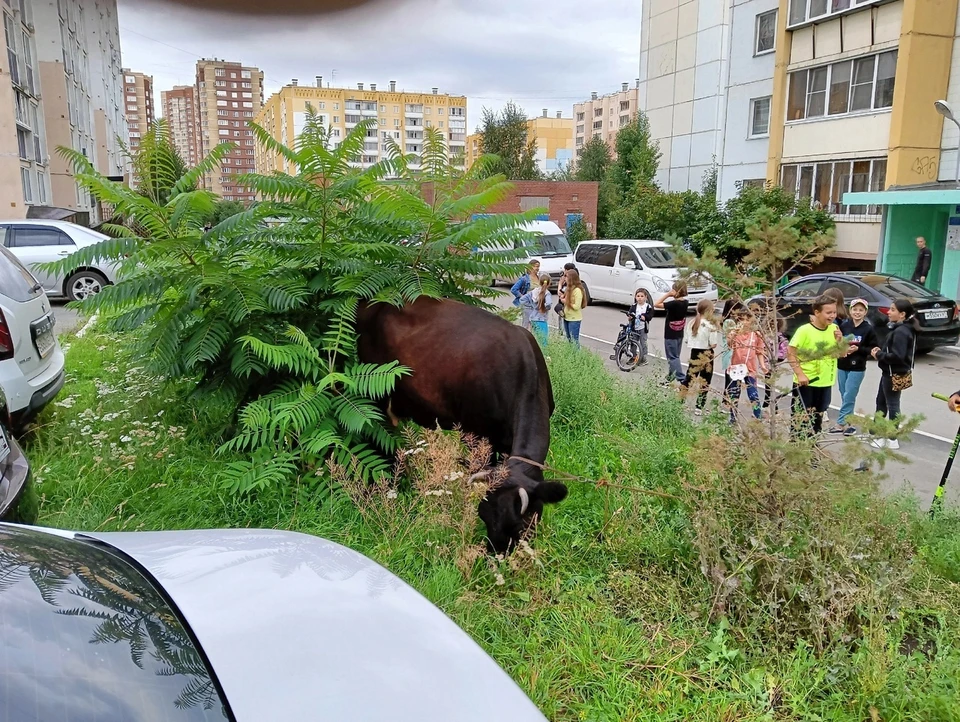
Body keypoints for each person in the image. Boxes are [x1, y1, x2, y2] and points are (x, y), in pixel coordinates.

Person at [787, 295, 843, 437]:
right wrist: (800, 374)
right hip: (806, 382)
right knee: (801, 420)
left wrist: (840, 341)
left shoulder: (834, 329)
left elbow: (840, 355)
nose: (832, 316)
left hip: (825, 382)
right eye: (828, 312)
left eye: (834, 312)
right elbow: (790, 353)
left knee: (817, 420)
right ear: (817, 312)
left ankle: (813, 451)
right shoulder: (804, 330)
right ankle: (796, 451)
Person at [869, 300, 919, 450]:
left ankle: (891, 438)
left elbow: (898, 356)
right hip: (891, 372)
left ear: (902, 314)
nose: (889, 312)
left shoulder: (901, 332)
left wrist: (879, 354)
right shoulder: (904, 329)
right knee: (882, 402)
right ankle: (875, 432)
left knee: (891, 405)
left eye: (892, 310)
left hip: (892, 374)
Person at [830, 298, 877, 436]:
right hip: (842, 364)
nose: (857, 312)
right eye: (855, 309)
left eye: (861, 310)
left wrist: (859, 349)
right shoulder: (844, 326)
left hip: (857, 367)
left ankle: (840, 423)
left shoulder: (868, 329)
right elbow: (838, 343)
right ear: (850, 311)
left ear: (865, 312)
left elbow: (872, 348)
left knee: (850, 394)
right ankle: (850, 424)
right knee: (844, 394)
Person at [727, 309, 767, 423]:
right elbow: (729, 346)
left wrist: (763, 366)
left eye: (747, 319)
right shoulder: (735, 333)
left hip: (750, 369)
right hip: (736, 368)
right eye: (742, 319)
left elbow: (760, 351)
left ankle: (758, 415)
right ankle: (732, 417)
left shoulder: (756, 335)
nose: (745, 322)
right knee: (734, 393)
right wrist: (731, 335)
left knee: (753, 394)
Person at [682, 299, 719, 415]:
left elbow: (687, 340)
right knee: (705, 380)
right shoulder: (710, 325)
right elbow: (713, 343)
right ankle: (699, 406)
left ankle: (680, 400)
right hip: (707, 353)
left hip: (694, 352)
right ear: (709, 311)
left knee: (690, 377)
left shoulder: (692, 322)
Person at [656, 281, 689, 383]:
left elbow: (656, 304)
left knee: (673, 357)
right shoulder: (685, 303)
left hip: (670, 334)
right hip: (679, 333)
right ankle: (671, 377)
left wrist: (668, 295)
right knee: (676, 355)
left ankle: (681, 379)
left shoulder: (674, 304)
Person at [612, 288, 654, 365]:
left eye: (642, 296)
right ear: (635, 297)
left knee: (643, 343)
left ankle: (643, 358)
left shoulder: (648, 306)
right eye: (638, 296)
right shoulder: (634, 306)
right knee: (633, 342)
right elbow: (630, 314)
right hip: (634, 327)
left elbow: (650, 316)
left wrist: (645, 317)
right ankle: (634, 356)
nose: (640, 298)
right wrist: (630, 317)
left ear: (645, 297)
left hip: (643, 328)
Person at [718, 300, 746, 408]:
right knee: (730, 380)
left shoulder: (733, 321)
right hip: (730, 354)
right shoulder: (729, 322)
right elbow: (733, 337)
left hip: (733, 354)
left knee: (733, 379)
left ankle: (728, 402)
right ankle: (726, 402)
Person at [521, 275, 552, 344]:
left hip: (533, 318)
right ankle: (544, 354)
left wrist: (532, 306)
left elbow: (522, 299)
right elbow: (549, 304)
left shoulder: (533, 291)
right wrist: (543, 307)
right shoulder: (547, 293)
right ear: (549, 283)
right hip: (541, 319)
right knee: (543, 341)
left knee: (535, 338)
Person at [511, 260, 540, 329]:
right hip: (528, 305)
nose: (538, 268)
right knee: (526, 324)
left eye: (539, 266)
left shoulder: (539, 277)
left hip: (537, 304)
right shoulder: (525, 279)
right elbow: (514, 289)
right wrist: (523, 297)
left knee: (536, 324)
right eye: (536, 266)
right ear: (530, 267)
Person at [561, 268, 585, 347]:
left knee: (574, 340)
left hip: (574, 319)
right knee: (569, 339)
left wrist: (566, 302)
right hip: (567, 317)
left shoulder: (577, 290)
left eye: (567, 277)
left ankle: (576, 357)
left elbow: (576, 306)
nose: (565, 279)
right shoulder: (568, 288)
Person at [555, 262, 577, 333]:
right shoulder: (569, 280)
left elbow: (560, 292)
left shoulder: (570, 283)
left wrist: (560, 283)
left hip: (567, 306)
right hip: (564, 305)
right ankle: (561, 330)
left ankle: (561, 331)